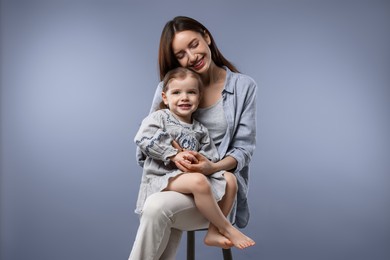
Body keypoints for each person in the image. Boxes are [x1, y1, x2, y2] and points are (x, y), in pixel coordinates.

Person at [129, 16, 257, 260]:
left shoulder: (244, 87)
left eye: (194, 44)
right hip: (172, 183)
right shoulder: (168, 86)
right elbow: (144, 144)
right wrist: (174, 156)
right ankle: (221, 227)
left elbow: (243, 150)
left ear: (206, 37)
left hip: (216, 193)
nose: (192, 57)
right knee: (158, 207)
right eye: (180, 54)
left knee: (160, 207)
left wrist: (211, 167)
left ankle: (218, 227)